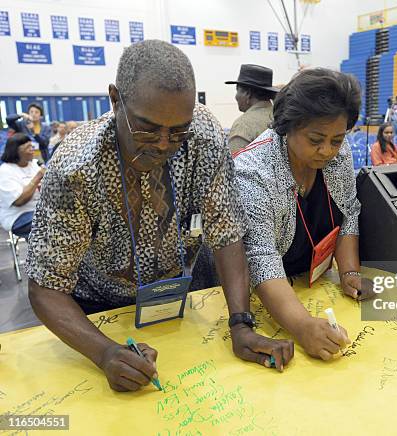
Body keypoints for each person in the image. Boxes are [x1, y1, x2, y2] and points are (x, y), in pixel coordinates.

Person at [26, 40, 293, 393]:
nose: (165, 144)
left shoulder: (203, 136)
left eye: (177, 131)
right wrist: (104, 352)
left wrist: (241, 323)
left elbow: (227, 233)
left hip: (170, 301)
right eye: (148, 129)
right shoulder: (75, 168)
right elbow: (45, 286)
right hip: (93, 310)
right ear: (115, 99)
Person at [232, 68, 374, 361]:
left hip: (311, 281)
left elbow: (349, 211)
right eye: (315, 139)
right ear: (288, 126)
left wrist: (349, 272)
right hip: (270, 291)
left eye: (336, 140)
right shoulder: (253, 171)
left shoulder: (340, 153)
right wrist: (302, 325)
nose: (327, 150)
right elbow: (261, 257)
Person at [226, 64, 279, 153]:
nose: (236, 97)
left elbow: (236, 164)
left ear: (248, 94)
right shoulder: (280, 116)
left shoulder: (243, 125)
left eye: (237, 91)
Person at [0, 133, 45, 235]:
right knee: (47, 221)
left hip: (40, 210)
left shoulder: (34, 164)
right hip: (17, 216)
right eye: (27, 147)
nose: (32, 149)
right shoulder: (5, 171)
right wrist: (37, 177)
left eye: (32, 145)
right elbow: (19, 201)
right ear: (16, 150)